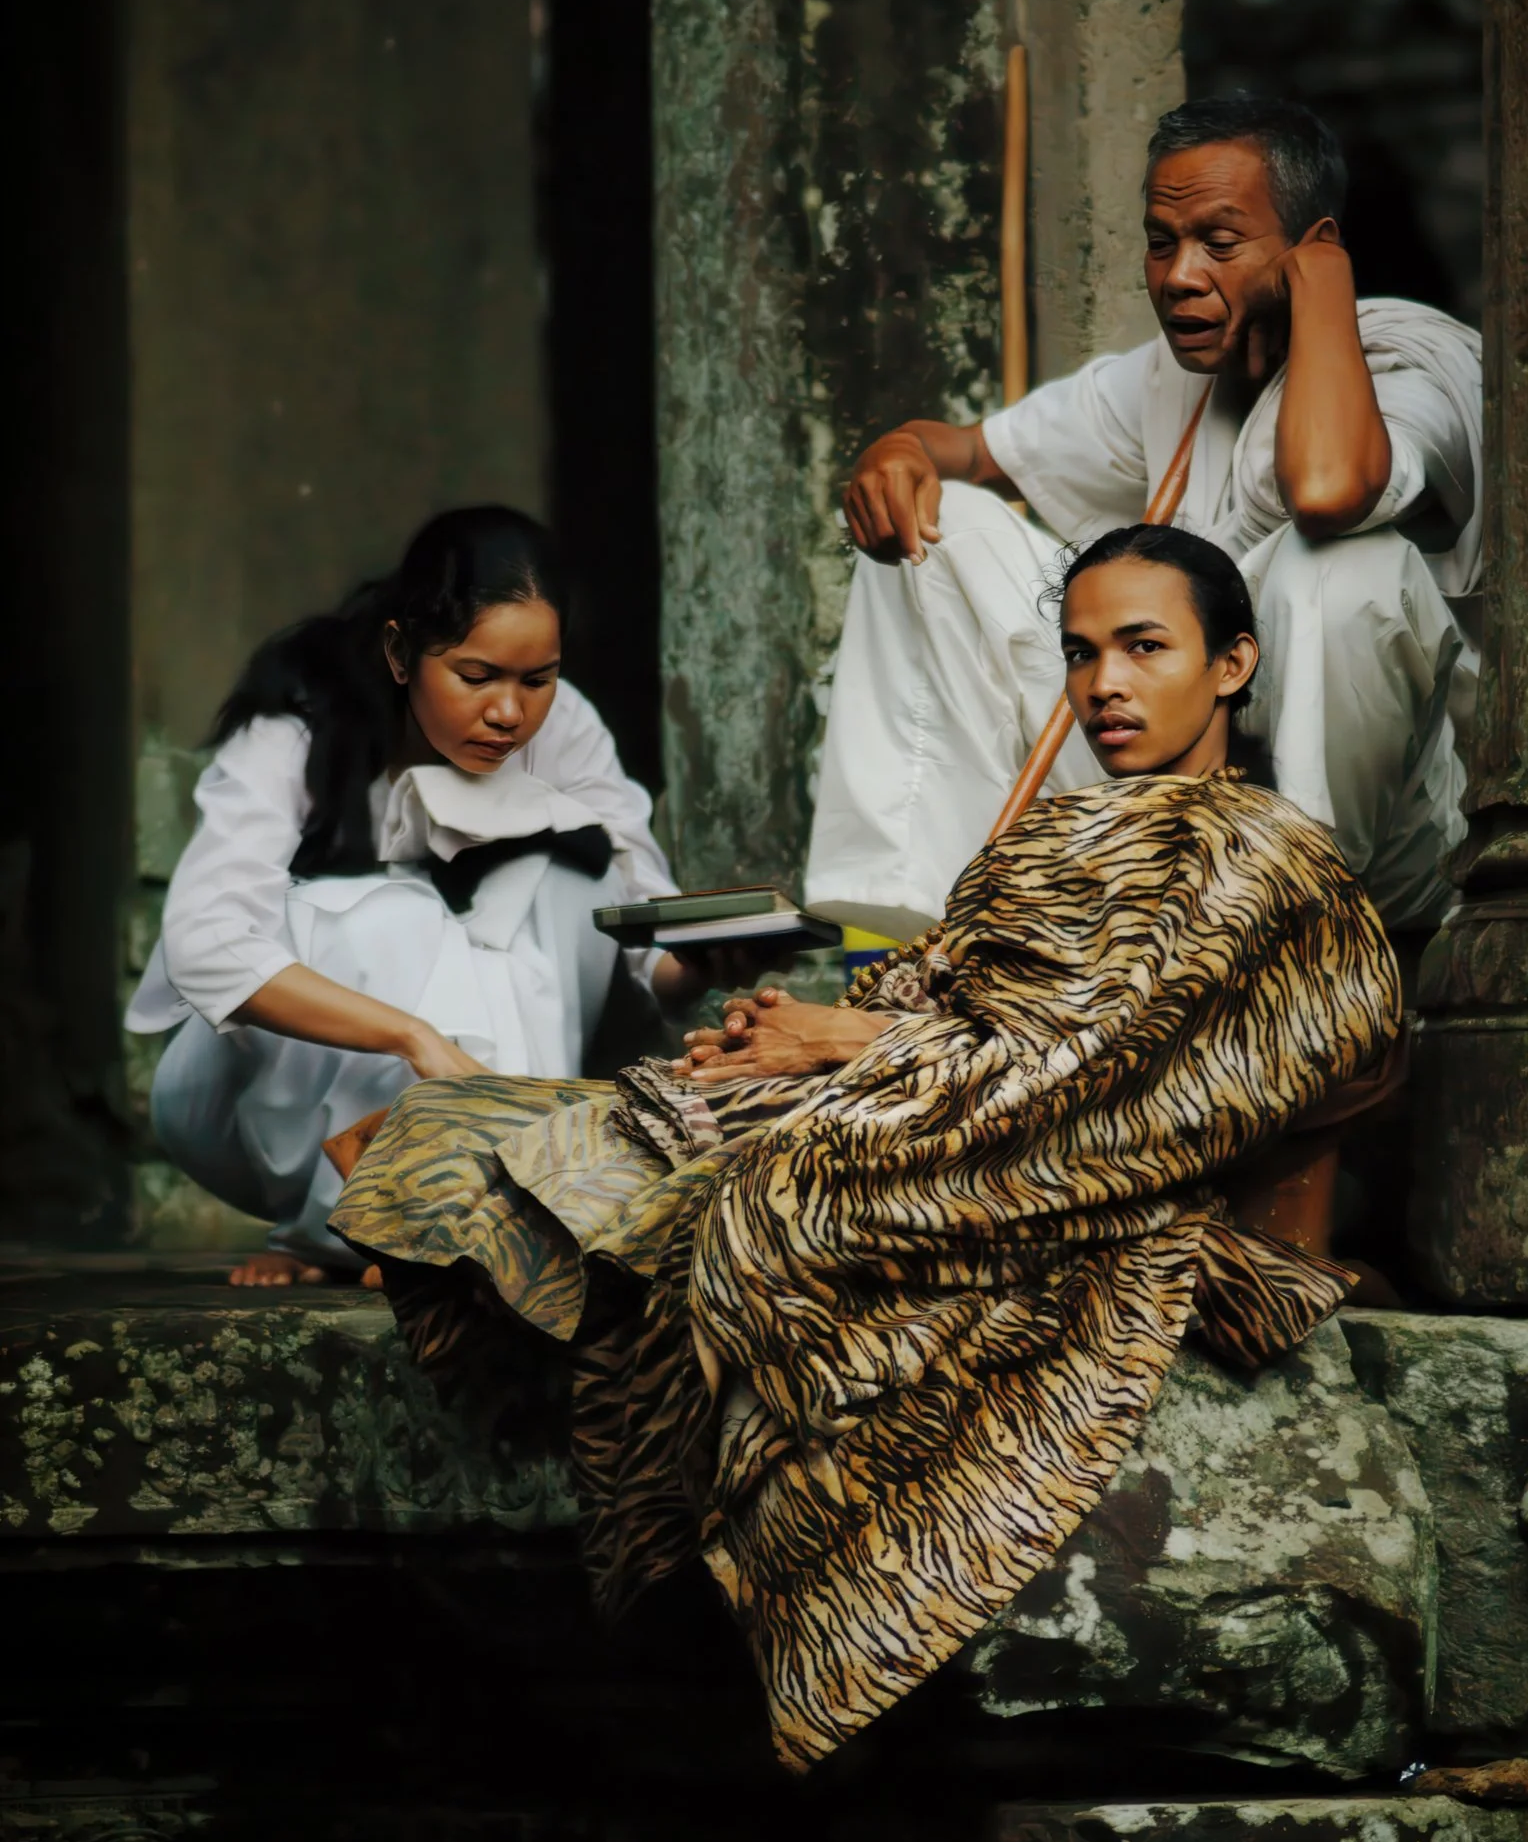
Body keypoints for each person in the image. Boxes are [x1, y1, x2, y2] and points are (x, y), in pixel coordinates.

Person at [330, 525, 1401, 1771]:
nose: (1102, 683)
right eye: (1080, 652)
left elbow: (1115, 1071)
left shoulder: (1261, 857)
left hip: (1043, 1154)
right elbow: (950, 984)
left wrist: (857, 1047)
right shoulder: (1057, 835)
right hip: (941, 1100)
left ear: (1231, 665)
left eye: (1142, 647)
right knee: (485, 1134)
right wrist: (794, 1027)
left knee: (767, 1197)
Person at [806, 94, 1482, 942]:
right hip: (1184, 817)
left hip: (1383, 850)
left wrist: (1322, 291)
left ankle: (1302, 946)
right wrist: (898, 453)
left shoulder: (1410, 363)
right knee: (941, 538)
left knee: (1338, 565)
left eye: (1220, 243)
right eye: (1162, 242)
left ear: (1313, 247)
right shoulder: (1168, 383)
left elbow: (1327, 490)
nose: (1179, 276)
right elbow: (967, 452)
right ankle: (931, 942)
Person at [127, 506, 714, 1287]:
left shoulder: (560, 727)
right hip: (240, 1100)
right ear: (401, 653)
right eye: (476, 677)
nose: (509, 713)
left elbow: (645, 937)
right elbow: (205, 945)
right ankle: (351, 1225)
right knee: (398, 915)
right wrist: (414, 1039)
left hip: (468, 1084)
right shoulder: (302, 724)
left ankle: (500, 1210)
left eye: (536, 679)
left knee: (574, 874)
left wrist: (710, 960)